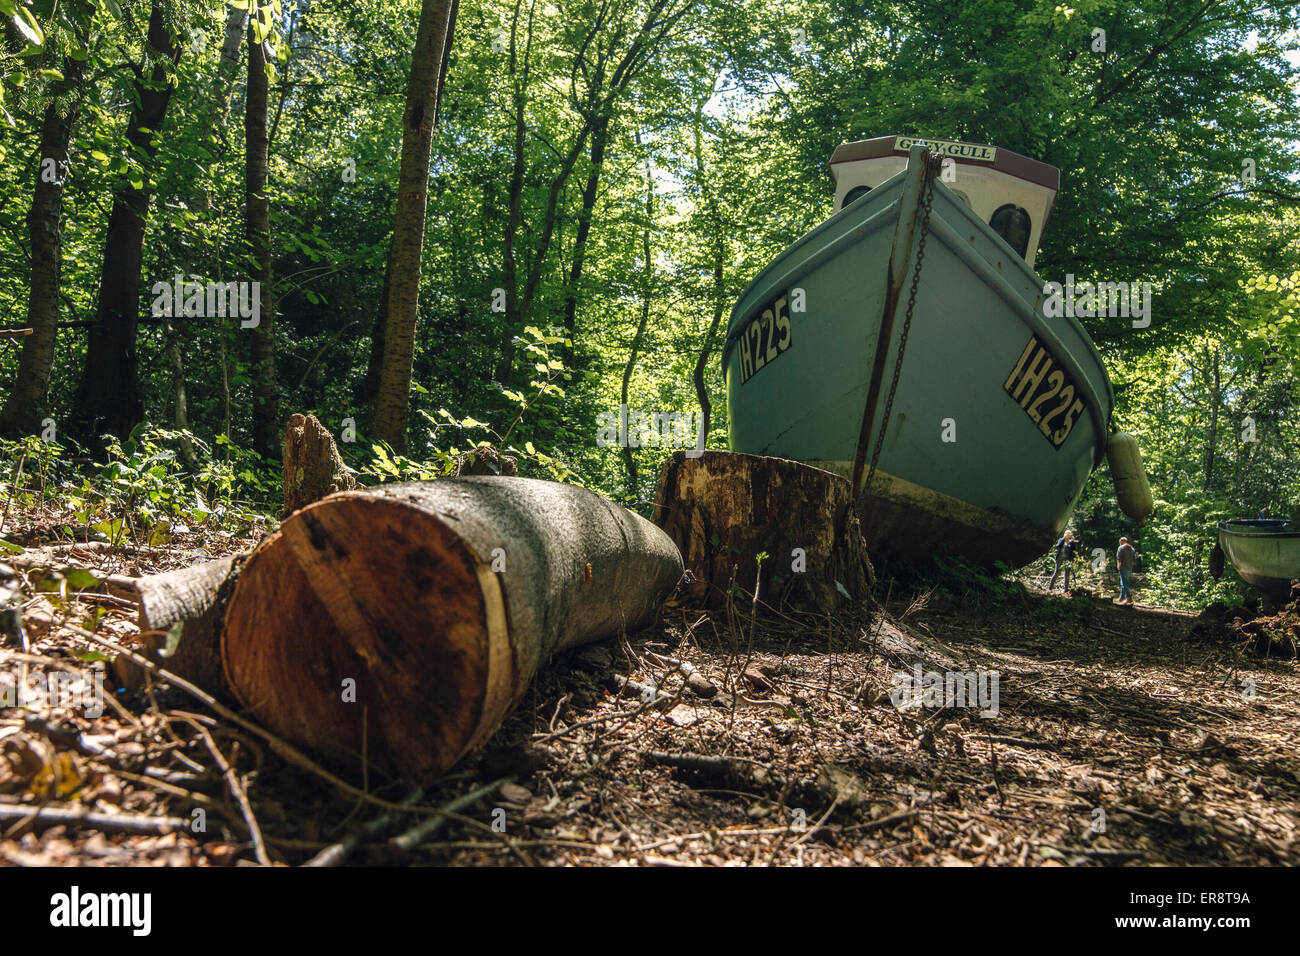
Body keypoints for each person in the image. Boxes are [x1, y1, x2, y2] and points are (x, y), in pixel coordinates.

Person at [1117, 537, 1137, 605]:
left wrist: (1118, 566)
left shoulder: (1121, 548)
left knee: (1124, 583)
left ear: (1122, 542)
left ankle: (1129, 597)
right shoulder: (1132, 548)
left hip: (1123, 567)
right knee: (1123, 582)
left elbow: (1119, 558)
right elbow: (1134, 559)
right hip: (1129, 567)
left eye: (1120, 542)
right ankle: (1121, 597)